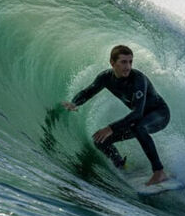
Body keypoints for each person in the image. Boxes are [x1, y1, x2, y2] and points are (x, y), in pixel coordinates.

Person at [62, 45, 170, 186]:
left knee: (139, 127)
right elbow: (88, 91)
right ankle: (122, 166)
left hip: (159, 114)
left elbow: (137, 113)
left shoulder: (138, 79)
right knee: (101, 140)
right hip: (139, 119)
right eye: (123, 62)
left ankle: (159, 172)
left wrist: (110, 128)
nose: (128, 66)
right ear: (112, 63)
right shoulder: (106, 77)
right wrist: (74, 103)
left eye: (130, 62)